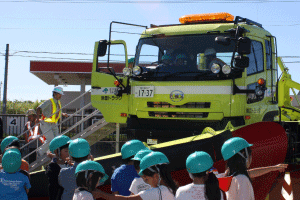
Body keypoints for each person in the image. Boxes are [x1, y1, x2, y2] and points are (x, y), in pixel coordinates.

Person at [220, 137, 288, 200]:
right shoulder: (242, 179)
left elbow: (250, 173)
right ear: (243, 154)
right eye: (249, 153)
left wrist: (274, 168)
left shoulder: (229, 175)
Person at [92, 151, 177, 200]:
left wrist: (102, 194)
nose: (145, 181)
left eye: (146, 179)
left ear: (156, 176)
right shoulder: (174, 189)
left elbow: (127, 199)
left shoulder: (156, 192)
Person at [36, 86, 68, 157]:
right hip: (45, 123)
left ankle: (50, 152)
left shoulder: (58, 102)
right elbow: (38, 108)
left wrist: (63, 114)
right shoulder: (49, 101)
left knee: (56, 139)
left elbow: (56, 112)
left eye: (61, 94)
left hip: (54, 123)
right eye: (59, 94)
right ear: (55, 93)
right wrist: (38, 119)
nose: (60, 96)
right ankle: (40, 152)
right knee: (50, 139)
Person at [45, 135, 71, 200]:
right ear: (56, 152)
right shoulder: (52, 169)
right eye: (66, 151)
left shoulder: (69, 164)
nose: (69, 153)